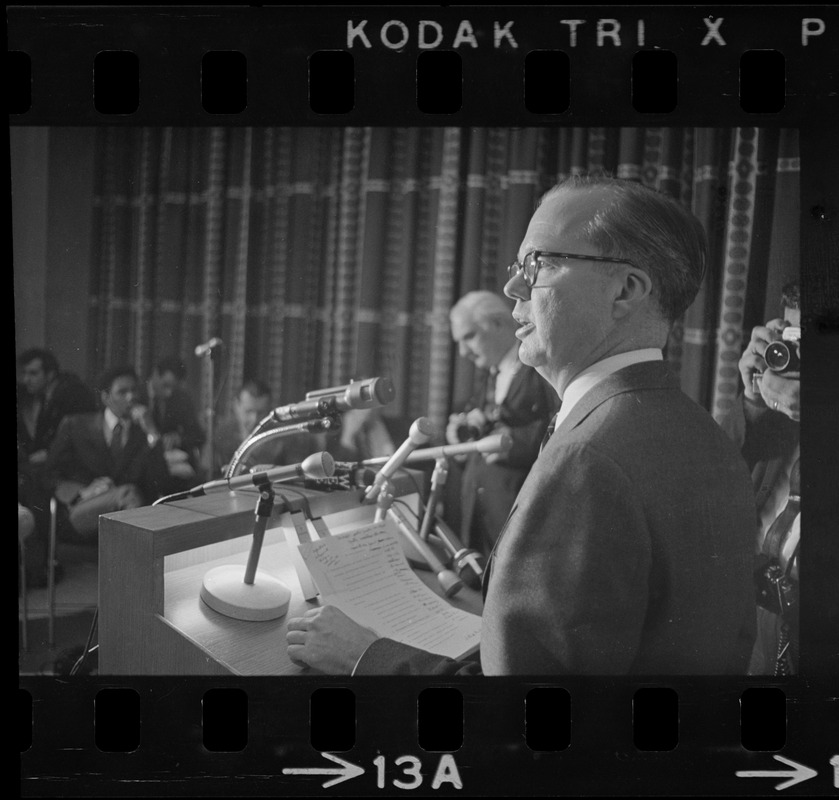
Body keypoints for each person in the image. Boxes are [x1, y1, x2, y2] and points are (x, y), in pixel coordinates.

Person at [285, 175, 758, 676]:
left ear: (626, 290)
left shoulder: (587, 462)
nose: (513, 286)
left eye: (541, 263)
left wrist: (366, 657)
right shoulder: (705, 432)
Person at [721, 282, 801, 675]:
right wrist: (753, 402)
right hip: (754, 609)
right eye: (793, 340)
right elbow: (717, 478)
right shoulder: (780, 417)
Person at [444, 291, 559, 555]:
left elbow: (561, 428)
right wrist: (463, 439)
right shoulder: (490, 375)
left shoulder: (538, 368)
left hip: (519, 519)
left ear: (497, 324)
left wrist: (511, 443)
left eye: (469, 337)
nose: (463, 352)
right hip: (479, 520)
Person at [45, 365, 170, 539]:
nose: (131, 397)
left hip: (126, 511)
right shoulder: (76, 426)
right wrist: (81, 492)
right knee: (129, 494)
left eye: (134, 390)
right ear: (105, 398)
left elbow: (161, 483)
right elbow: (48, 474)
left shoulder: (143, 434)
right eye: (122, 392)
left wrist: (152, 433)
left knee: (130, 495)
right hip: (83, 510)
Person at [17, 348, 97, 585]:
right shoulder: (48, 396)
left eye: (33, 373)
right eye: (24, 374)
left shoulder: (68, 394)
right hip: (56, 465)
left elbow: (73, 442)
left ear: (50, 374)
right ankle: (39, 563)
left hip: (74, 470)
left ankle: (43, 564)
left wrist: (44, 456)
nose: (26, 380)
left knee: (34, 481)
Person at [137, 356, 206, 485]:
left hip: (172, 467)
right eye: (165, 385)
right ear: (156, 374)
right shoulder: (135, 395)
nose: (169, 393)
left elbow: (199, 436)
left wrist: (179, 438)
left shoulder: (182, 398)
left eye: (173, 388)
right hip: (142, 465)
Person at [214, 379, 304, 475]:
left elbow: (295, 474)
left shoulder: (283, 436)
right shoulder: (222, 434)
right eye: (248, 411)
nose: (255, 419)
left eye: (261, 413)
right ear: (236, 406)